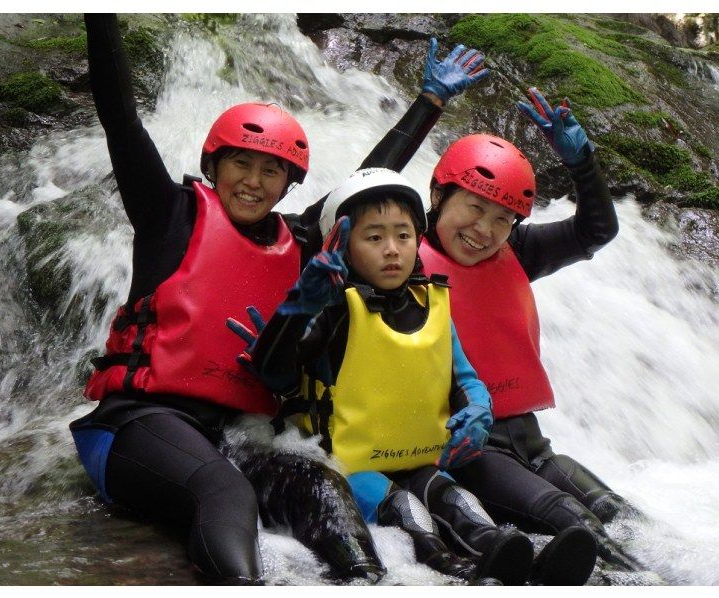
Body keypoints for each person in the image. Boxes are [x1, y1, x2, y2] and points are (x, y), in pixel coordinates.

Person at [68, 13, 489, 584]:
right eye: (241, 162)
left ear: (288, 184)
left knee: (318, 485)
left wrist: (429, 101)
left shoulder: (301, 243)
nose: (253, 180)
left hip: (237, 435)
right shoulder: (168, 215)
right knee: (222, 492)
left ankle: (375, 579)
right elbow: (119, 115)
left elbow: (364, 187)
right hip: (137, 423)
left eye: (272, 171)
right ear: (213, 165)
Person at [243, 167, 598, 585]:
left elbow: (463, 377)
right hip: (347, 464)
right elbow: (276, 377)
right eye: (374, 238)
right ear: (344, 247)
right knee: (403, 509)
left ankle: (522, 561)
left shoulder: (432, 304)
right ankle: (459, 573)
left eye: (404, 236)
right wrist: (296, 310)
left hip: (418, 456)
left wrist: (479, 409)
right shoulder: (330, 309)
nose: (392, 249)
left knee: (457, 500)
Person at [417, 86, 641, 570]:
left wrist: (583, 164)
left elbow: (595, 232)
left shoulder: (516, 251)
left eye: (502, 219)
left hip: (532, 442)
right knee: (575, 525)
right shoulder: (395, 260)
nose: (484, 230)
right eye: (474, 208)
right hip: (468, 452)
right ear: (437, 194)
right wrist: (426, 105)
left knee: (621, 518)